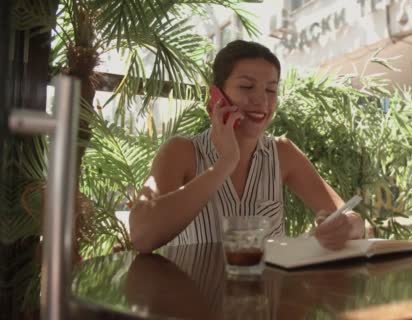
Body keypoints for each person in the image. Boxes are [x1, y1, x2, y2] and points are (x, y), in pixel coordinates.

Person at [129, 40, 365, 253]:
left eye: (271, 90)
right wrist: (225, 164)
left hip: (267, 296)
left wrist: (347, 226)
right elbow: (142, 236)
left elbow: (354, 220)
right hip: (197, 296)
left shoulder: (283, 153)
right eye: (246, 87)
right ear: (216, 96)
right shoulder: (181, 151)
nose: (262, 100)